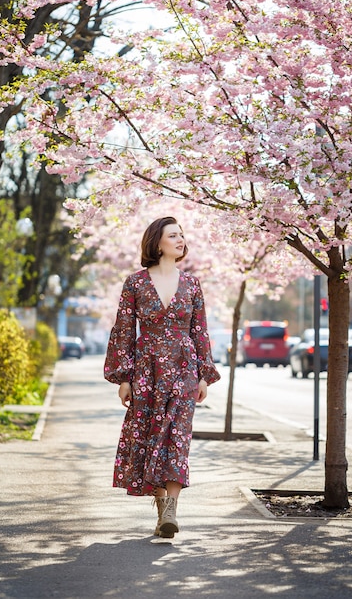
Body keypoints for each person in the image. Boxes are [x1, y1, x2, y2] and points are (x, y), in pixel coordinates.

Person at [104, 216, 220, 538]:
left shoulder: (192, 284)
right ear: (157, 243)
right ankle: (161, 510)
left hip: (184, 368)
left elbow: (200, 332)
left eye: (182, 235)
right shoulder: (136, 283)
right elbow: (124, 331)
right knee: (152, 437)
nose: (181, 240)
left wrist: (203, 376)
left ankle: (171, 509)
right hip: (148, 370)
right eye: (173, 235)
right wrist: (124, 377)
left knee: (177, 437)